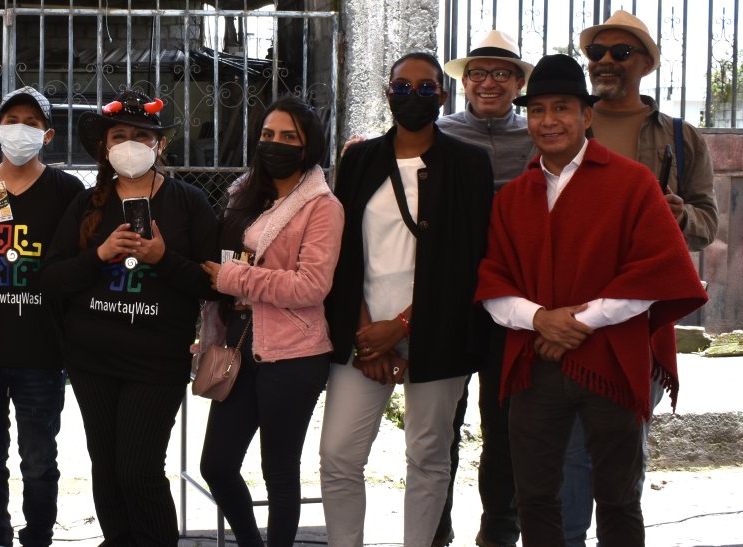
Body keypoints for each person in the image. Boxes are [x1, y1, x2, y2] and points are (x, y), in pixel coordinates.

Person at [475, 53, 708, 546]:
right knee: (534, 495)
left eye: (562, 108)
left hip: (612, 358)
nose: (548, 121)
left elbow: (655, 272)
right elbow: (494, 283)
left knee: (619, 499)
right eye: (537, 110)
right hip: (535, 362)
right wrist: (541, 320)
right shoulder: (513, 196)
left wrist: (575, 324)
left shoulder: (632, 183)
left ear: (586, 116)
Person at [321, 52, 494, 547]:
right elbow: (343, 253)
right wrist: (366, 335)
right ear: (387, 92)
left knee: (429, 454)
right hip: (363, 331)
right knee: (338, 456)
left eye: (425, 87)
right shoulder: (358, 159)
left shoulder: (468, 163)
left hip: (437, 330)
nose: (413, 96)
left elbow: (470, 261)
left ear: (442, 94)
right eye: (402, 87)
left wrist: (400, 326)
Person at [560, 10, 720, 545]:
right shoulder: (565, 124)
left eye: (620, 53)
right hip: (567, 309)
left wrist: (677, 216)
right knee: (571, 448)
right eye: (597, 53)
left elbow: (706, 224)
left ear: (647, 64)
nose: (605, 61)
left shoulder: (679, 135)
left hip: (641, 316)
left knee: (620, 443)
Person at [39, 90, 218, 545]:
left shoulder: (189, 202)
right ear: (105, 146)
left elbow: (209, 282)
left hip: (156, 362)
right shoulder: (85, 204)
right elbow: (52, 278)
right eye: (120, 135)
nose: (130, 143)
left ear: (159, 144)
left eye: (142, 135)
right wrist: (98, 255)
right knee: (106, 467)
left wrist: (162, 257)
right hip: (92, 360)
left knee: (138, 470)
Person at [197, 98, 344, 547]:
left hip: (294, 353)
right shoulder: (245, 193)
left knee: (278, 470)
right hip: (240, 342)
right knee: (217, 465)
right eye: (267, 135)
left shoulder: (322, 207)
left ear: (309, 146)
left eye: (288, 137)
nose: (274, 144)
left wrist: (232, 277)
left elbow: (310, 287)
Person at [0, 87, 84, 546]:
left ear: (47, 135)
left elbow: (72, 273)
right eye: (12, 121)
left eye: (31, 122)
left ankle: (39, 537)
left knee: (40, 460)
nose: (19, 130)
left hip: (41, 352)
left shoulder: (67, 190)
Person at [433, 30, 535, 547]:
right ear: (464, 83)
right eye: (477, 73)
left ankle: (499, 529)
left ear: (519, 83)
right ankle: (435, 528)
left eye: (500, 73)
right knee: (441, 425)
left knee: (504, 423)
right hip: (452, 297)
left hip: (515, 299)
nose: (487, 82)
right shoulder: (437, 134)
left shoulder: (539, 137)